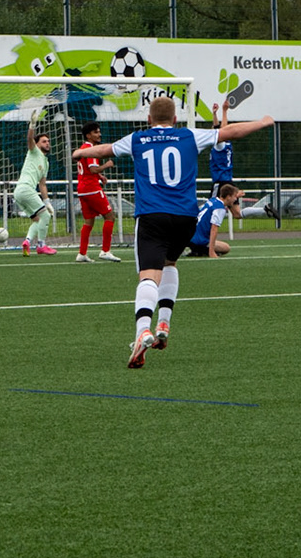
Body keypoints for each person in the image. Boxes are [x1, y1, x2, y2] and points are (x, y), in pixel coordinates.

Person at [75, 97, 274, 367]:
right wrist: (262, 122)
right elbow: (231, 132)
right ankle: (163, 324)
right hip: (185, 218)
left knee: (148, 275)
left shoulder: (137, 139)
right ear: (175, 119)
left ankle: (142, 331)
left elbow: (104, 150)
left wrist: (79, 154)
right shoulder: (189, 135)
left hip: (152, 216)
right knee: (170, 263)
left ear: (148, 119)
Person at [72, 123, 119, 263]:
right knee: (110, 216)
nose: (99, 135)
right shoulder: (91, 150)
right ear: (88, 135)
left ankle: (82, 253)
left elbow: (87, 169)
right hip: (91, 188)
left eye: (99, 132)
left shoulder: (82, 149)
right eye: (96, 132)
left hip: (82, 189)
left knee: (89, 221)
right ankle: (105, 251)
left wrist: (100, 176)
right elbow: (93, 169)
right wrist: (106, 166)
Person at [13, 111, 58, 255]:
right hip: (25, 189)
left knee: (38, 219)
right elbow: (29, 139)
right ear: (37, 144)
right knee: (46, 216)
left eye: (48, 141)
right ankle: (41, 245)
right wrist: (32, 125)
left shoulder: (46, 162)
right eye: (44, 141)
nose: (47, 143)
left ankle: (27, 241)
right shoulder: (34, 152)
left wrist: (47, 202)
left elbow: (42, 184)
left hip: (20, 192)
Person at [186, 183, 243, 258]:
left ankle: (197, 249)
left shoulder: (213, 200)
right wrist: (212, 251)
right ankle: (201, 250)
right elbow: (214, 229)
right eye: (235, 196)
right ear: (228, 197)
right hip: (199, 239)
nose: (235, 199)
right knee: (226, 248)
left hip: (190, 236)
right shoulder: (219, 208)